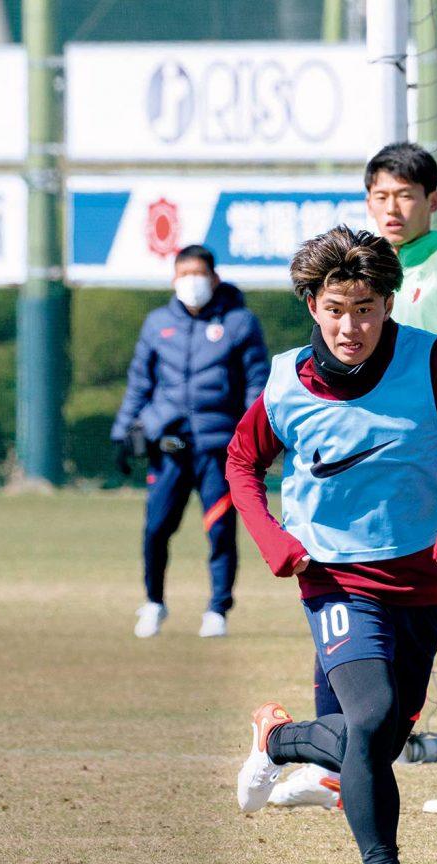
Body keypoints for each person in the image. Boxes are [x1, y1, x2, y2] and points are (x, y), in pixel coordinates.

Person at [229, 226, 437, 864]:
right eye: (335, 310)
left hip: (424, 577)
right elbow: (242, 460)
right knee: (367, 720)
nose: (349, 327)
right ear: (312, 306)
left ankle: (275, 740)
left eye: (364, 309)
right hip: (333, 578)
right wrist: (273, 539)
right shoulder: (284, 383)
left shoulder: (436, 363)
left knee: (378, 740)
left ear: (388, 303)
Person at [269, 143, 437, 814]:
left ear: (432, 201)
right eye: (380, 195)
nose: (392, 207)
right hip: (357, 503)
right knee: (343, 631)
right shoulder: (349, 270)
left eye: (405, 195)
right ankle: (333, 769)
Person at [112, 244, 269, 639]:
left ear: (214, 279)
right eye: (183, 275)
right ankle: (153, 602)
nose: (191, 283)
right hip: (167, 448)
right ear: (173, 279)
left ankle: (217, 609)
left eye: (198, 274)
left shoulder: (239, 323)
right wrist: (123, 430)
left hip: (217, 450)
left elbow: (256, 382)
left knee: (219, 531)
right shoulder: (156, 324)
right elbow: (139, 382)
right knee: (156, 529)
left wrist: (251, 434)